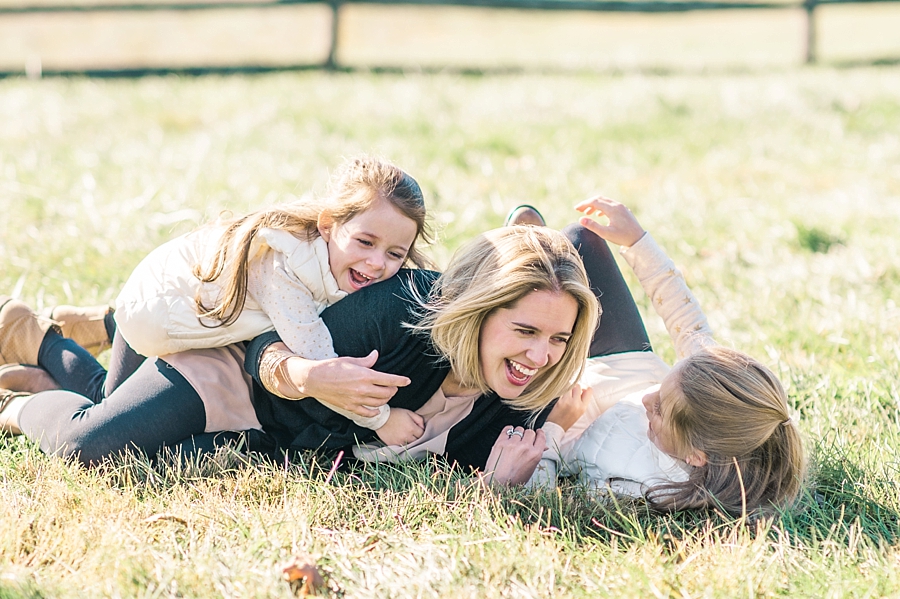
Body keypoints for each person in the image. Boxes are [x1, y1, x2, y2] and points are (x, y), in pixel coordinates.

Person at [0, 156, 435, 451]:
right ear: (327, 226)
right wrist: (381, 420)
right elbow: (322, 360)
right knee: (99, 429)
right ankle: (20, 384)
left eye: (395, 253)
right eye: (365, 241)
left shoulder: (337, 261)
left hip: (191, 316)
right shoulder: (286, 270)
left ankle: (38, 346)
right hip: (161, 319)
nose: (377, 263)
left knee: (108, 404)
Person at [526, 197, 805, 515]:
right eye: (663, 384)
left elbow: (542, 497)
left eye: (659, 407)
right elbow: (686, 320)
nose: (646, 399)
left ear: (696, 456)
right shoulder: (709, 392)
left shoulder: (645, 489)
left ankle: (520, 274)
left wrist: (553, 427)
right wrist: (637, 242)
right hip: (622, 363)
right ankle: (533, 257)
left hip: (565, 413)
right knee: (581, 236)